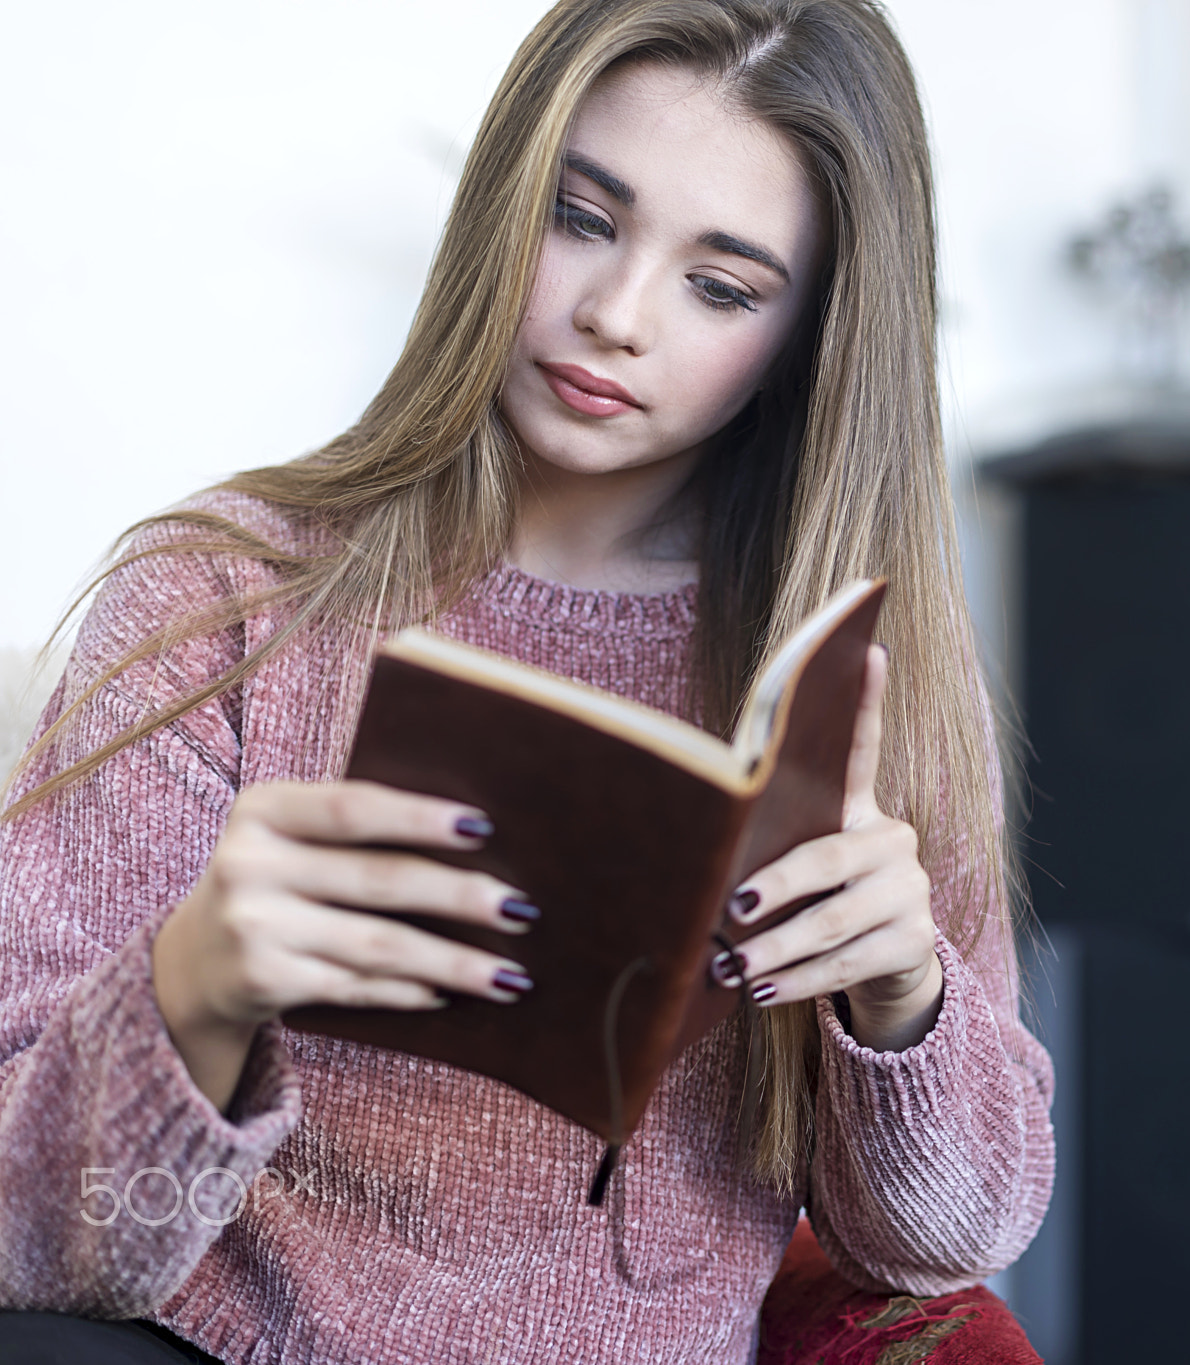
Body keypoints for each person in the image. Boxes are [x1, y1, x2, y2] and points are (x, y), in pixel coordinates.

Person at [0, 2, 1054, 1361]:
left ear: (811, 335)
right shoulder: (220, 592)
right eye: (581, 217)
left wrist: (902, 997)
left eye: (720, 286)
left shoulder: (861, 682)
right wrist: (195, 983)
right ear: (505, 201)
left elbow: (942, 1245)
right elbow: (31, 1224)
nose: (613, 316)